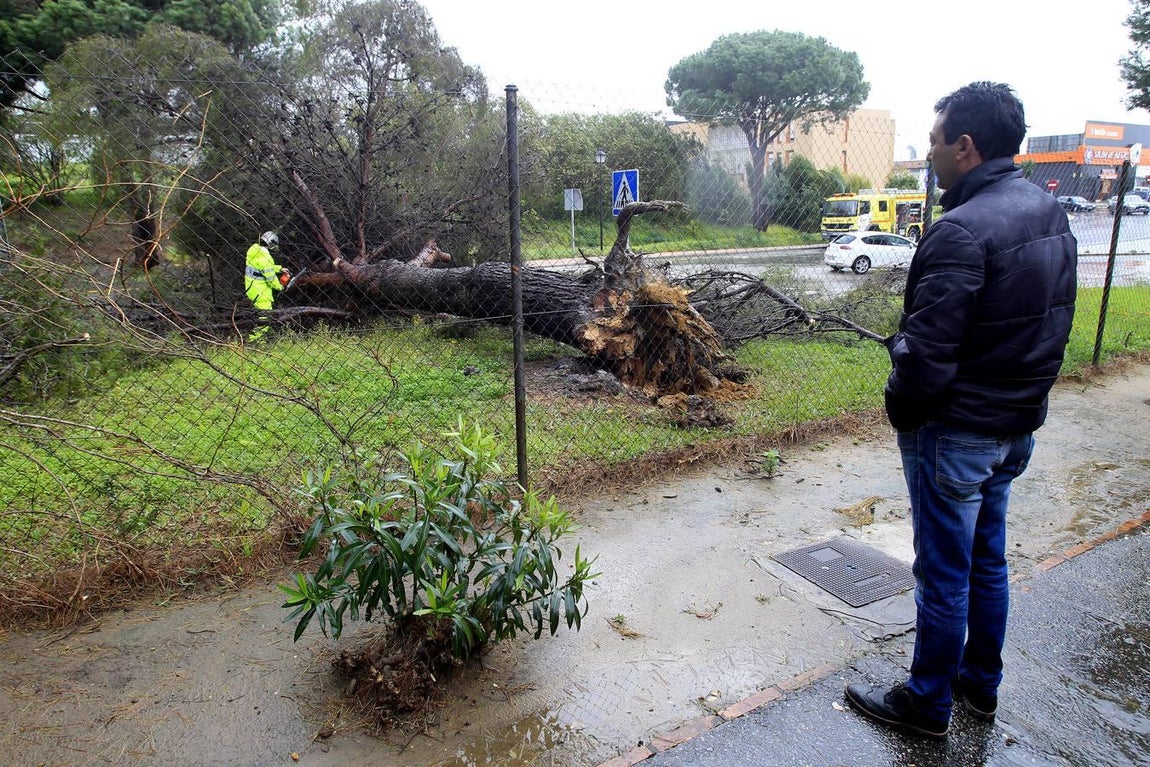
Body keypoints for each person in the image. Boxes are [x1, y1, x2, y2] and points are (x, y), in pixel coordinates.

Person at [844, 82, 1078, 738]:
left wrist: (900, 407)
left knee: (943, 569)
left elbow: (926, 356)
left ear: (965, 147)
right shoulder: (1047, 213)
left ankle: (927, 702)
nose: (930, 151)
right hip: (1013, 428)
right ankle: (980, 685)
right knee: (987, 560)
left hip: (956, 432)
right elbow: (1054, 321)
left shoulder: (962, 231)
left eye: (937, 138)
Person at [244, 231, 290, 340]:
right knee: (266, 319)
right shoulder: (266, 258)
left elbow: (263, 268)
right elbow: (270, 278)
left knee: (258, 316)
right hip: (261, 293)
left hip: (251, 288)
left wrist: (279, 268)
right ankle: (255, 341)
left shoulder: (254, 250)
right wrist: (280, 287)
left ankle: (253, 339)